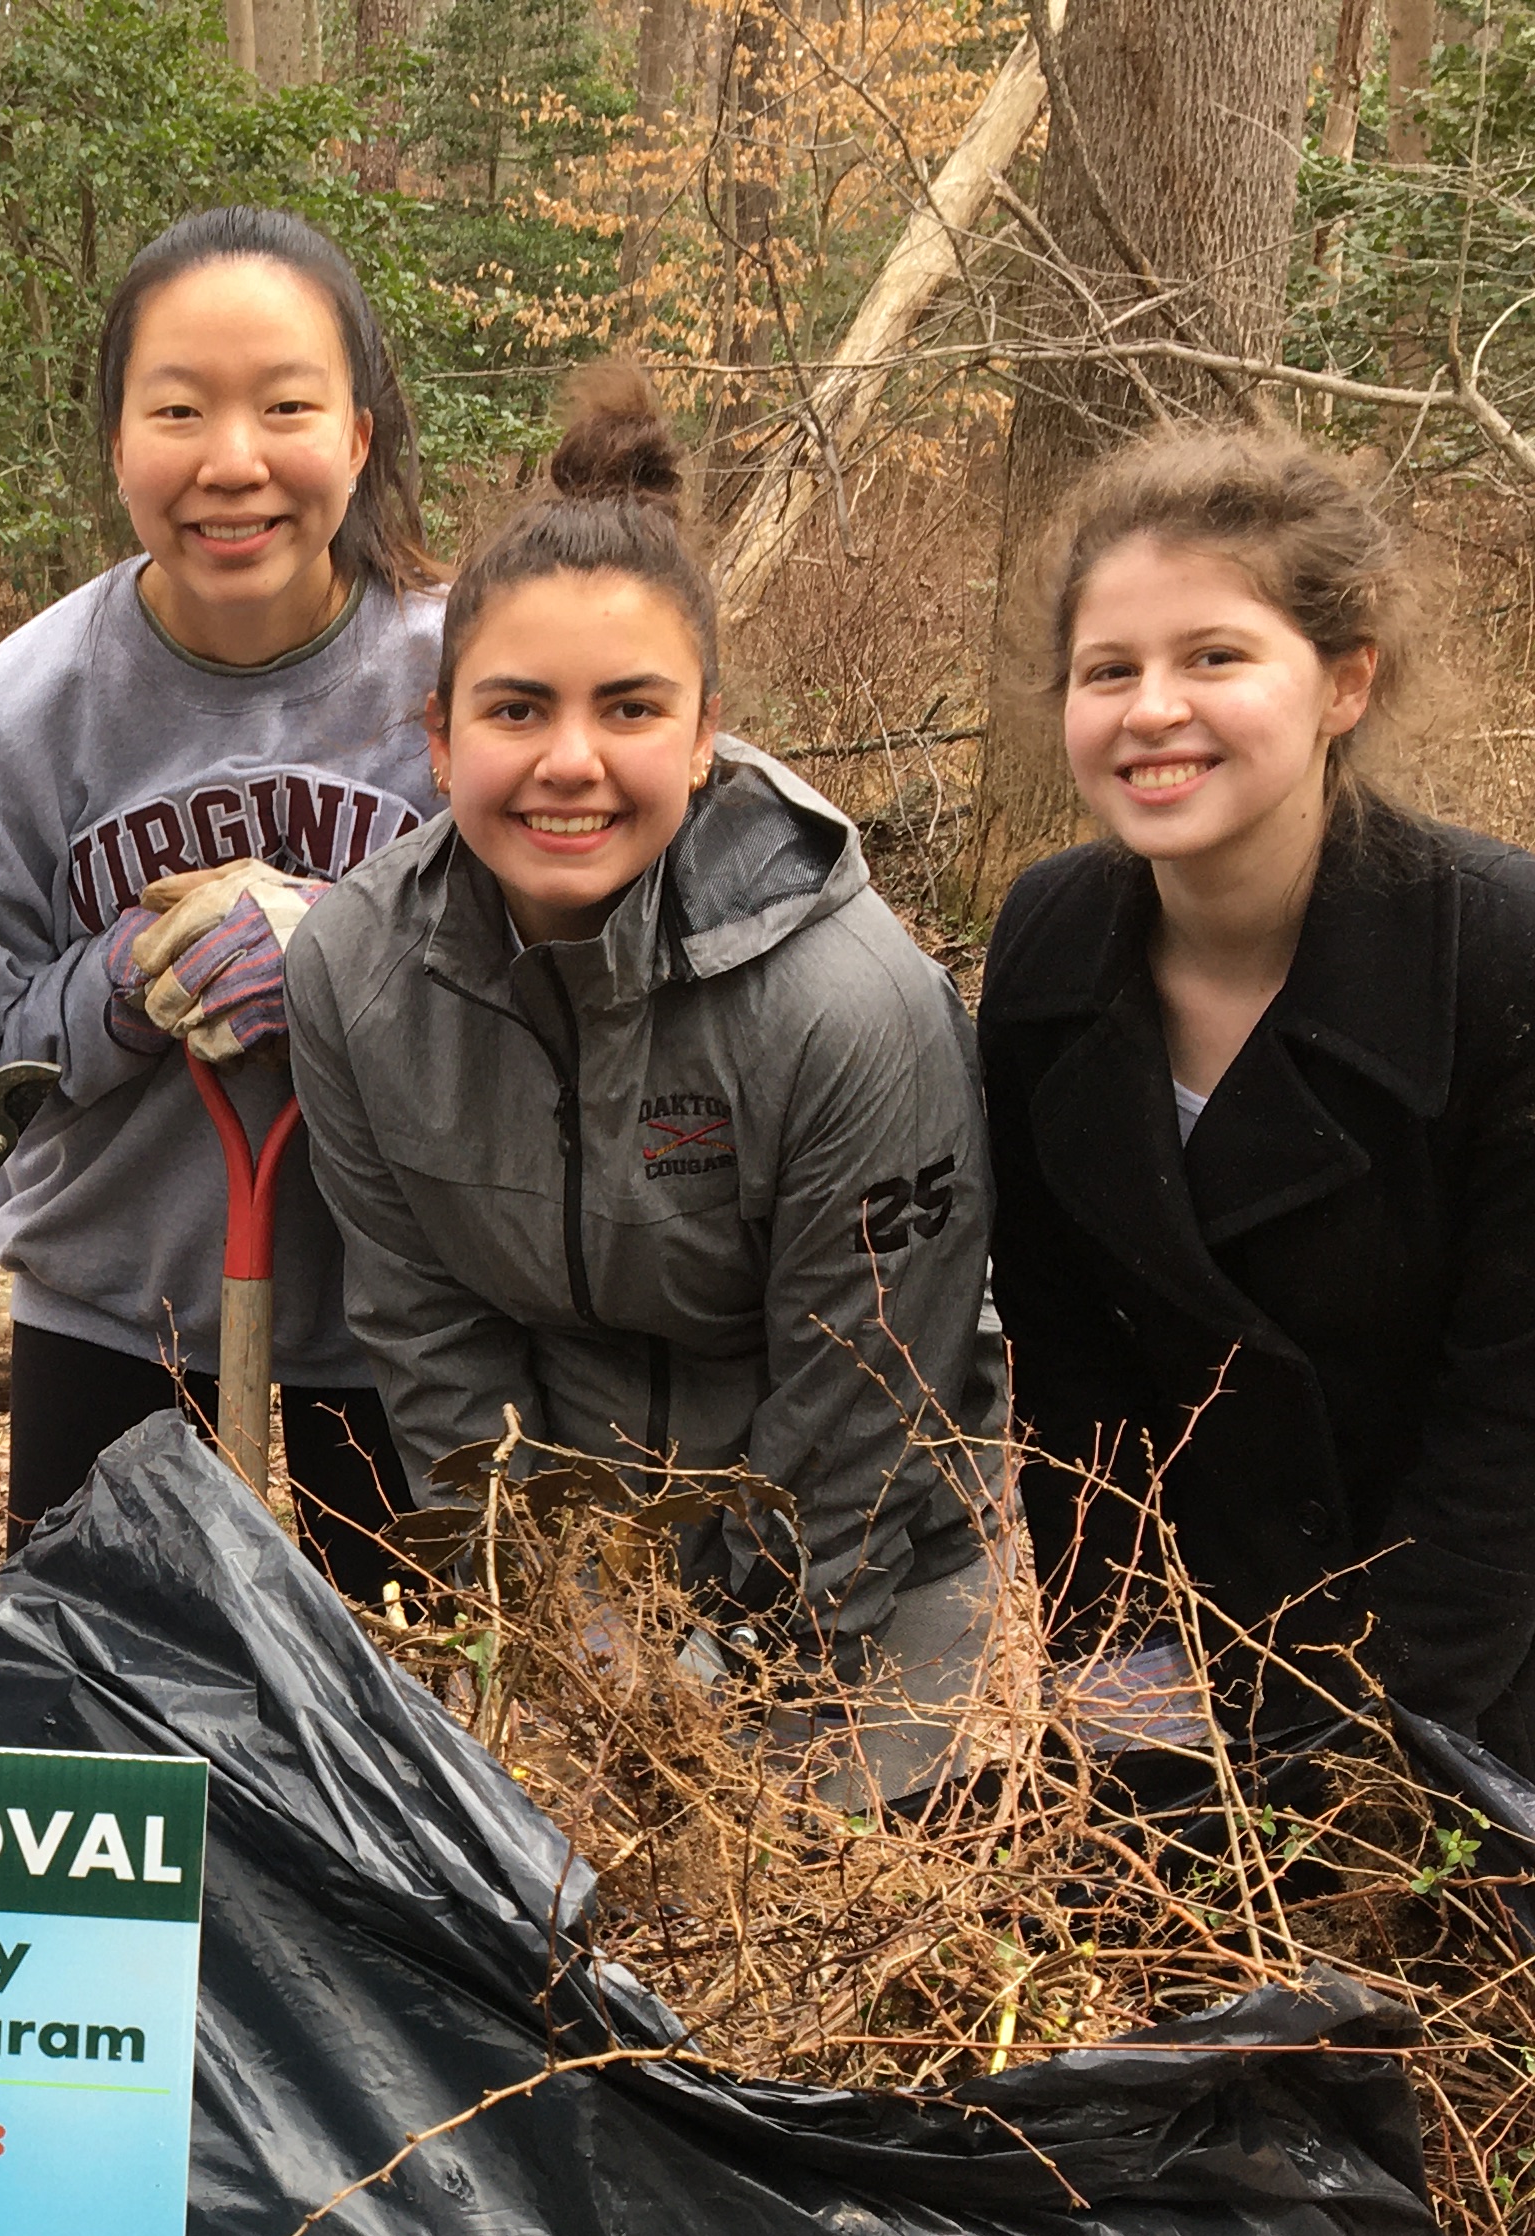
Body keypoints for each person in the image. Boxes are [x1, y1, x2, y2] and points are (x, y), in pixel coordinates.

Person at [980, 427, 1535, 1919]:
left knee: (1526, 2077)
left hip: (1509, 1638)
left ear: (1345, 681)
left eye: (1214, 657)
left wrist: (1366, 1780)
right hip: (1211, 1622)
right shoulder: (1049, 947)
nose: (1154, 712)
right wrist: (1133, 1742)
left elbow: (1526, 1423)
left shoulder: (1532, 967)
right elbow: (1072, 1390)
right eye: (1107, 670)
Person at [286, 368, 1007, 1801]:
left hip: (854, 1563)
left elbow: (869, 1395)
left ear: (703, 736)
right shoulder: (359, 976)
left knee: (805, 1940)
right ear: (440, 741)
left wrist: (731, 1680)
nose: (569, 762)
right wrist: (571, 1640)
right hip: (575, 1558)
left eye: (628, 709)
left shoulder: (851, 1007)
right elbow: (431, 1344)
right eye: (514, 711)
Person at [0, 206, 446, 1594]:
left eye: (286, 405)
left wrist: (349, 969)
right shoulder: (19, 717)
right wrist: (121, 983)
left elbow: (560, 1009)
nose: (233, 461)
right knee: (105, 1712)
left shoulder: (471, 679)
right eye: (178, 409)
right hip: (113, 1316)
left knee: (398, 1751)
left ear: (360, 431)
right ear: (115, 443)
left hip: (415, 1317)